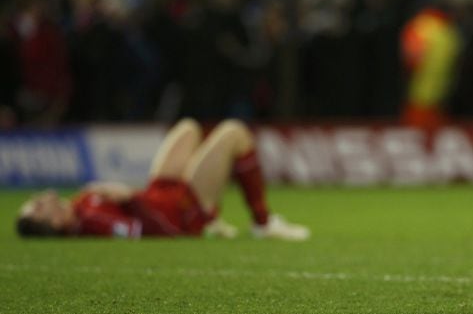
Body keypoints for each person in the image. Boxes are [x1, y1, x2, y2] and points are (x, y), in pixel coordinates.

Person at [16, 118, 310, 240]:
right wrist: (129, 196)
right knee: (235, 133)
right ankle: (263, 223)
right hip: (182, 209)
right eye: (38, 208)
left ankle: (226, 221)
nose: (41, 200)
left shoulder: (80, 205)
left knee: (188, 128)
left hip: (161, 191)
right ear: (54, 223)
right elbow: (148, 229)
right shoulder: (92, 221)